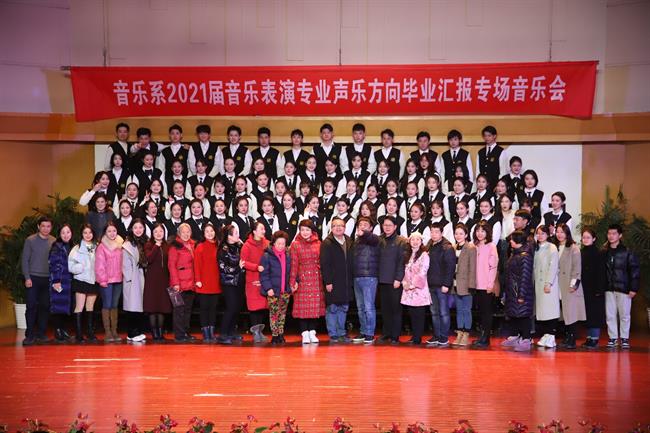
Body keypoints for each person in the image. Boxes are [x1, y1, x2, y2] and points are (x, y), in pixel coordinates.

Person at [603, 224, 639, 350]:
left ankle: (624, 338)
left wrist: (633, 288)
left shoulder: (627, 251)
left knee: (624, 315)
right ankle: (612, 338)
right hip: (609, 288)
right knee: (610, 315)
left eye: (614, 233)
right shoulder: (605, 252)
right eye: (609, 233)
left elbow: (634, 270)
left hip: (624, 288)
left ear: (620, 235)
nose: (611, 236)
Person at [290, 219, 326, 344]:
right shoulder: (295, 244)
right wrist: (293, 281)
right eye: (302, 230)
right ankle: (304, 333)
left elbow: (322, 261)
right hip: (302, 278)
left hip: (316, 278)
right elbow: (294, 264)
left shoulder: (319, 243)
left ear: (312, 231)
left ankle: (312, 332)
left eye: (307, 230)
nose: (305, 232)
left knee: (314, 306)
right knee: (303, 307)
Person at [320, 217, 354, 343]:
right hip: (333, 281)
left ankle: (342, 333)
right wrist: (328, 281)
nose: (338, 228)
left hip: (346, 281)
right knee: (333, 308)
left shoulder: (349, 241)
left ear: (344, 228)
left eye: (341, 225)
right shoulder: (327, 243)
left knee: (343, 308)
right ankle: (333, 334)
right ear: (331, 228)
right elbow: (325, 264)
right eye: (335, 225)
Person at [502, 230, 535, 352]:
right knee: (514, 314)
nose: (510, 241)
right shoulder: (515, 254)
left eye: (512, 239)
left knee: (523, 315)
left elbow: (525, 277)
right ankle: (515, 336)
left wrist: (521, 295)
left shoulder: (525, 256)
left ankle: (526, 339)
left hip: (520, 291)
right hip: (513, 290)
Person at [351, 217, 381, 344]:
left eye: (365, 224)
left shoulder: (374, 239)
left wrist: (365, 233)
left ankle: (370, 333)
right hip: (357, 276)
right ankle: (363, 331)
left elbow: (372, 238)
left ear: (371, 228)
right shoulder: (356, 241)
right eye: (360, 225)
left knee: (369, 307)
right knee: (360, 307)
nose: (362, 226)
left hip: (369, 277)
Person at [555, 223, 585, 349]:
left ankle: (572, 339)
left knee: (571, 313)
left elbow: (577, 269)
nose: (559, 234)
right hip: (558, 285)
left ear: (567, 233)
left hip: (569, 285)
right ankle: (567, 337)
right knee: (564, 313)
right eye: (557, 231)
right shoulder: (555, 247)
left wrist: (574, 285)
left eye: (562, 232)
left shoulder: (573, 248)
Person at [68, 224, 99, 343]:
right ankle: (79, 334)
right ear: (82, 234)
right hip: (81, 280)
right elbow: (70, 266)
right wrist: (80, 268)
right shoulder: (76, 248)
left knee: (90, 307)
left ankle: (90, 333)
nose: (88, 235)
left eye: (90, 232)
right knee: (79, 307)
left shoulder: (96, 246)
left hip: (93, 280)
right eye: (85, 232)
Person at [426, 222, 456, 346]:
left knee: (443, 312)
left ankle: (444, 336)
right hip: (430, 284)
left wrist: (446, 284)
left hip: (442, 285)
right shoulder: (429, 246)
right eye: (432, 232)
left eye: (436, 232)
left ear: (442, 233)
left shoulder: (447, 247)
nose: (434, 234)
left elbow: (450, 268)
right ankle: (436, 335)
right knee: (434, 312)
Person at [260, 231, 292, 345]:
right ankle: (275, 334)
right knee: (274, 313)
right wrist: (268, 288)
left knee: (282, 313)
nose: (281, 246)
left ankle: (281, 333)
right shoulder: (267, 256)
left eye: (283, 244)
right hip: (273, 291)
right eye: (279, 243)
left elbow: (291, 272)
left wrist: (295, 282)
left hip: (285, 290)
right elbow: (264, 275)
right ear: (273, 243)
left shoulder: (288, 256)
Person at [240, 221, 270, 343]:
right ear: (254, 231)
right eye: (261, 229)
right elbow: (243, 262)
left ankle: (260, 332)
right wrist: (256, 267)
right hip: (252, 279)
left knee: (263, 306)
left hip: (265, 279)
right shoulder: (247, 246)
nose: (264, 231)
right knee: (254, 307)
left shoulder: (267, 244)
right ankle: (255, 332)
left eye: (264, 229)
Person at [95, 221, 124, 343]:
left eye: (114, 231)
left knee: (115, 305)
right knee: (107, 305)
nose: (112, 233)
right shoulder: (102, 247)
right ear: (105, 233)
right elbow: (99, 265)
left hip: (118, 279)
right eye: (109, 231)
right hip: (106, 281)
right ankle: (107, 332)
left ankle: (114, 331)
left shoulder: (120, 244)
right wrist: (102, 279)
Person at [401, 232, 431, 345]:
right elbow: (404, 270)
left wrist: (413, 284)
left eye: (417, 239)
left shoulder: (424, 255)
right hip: (408, 289)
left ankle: (418, 337)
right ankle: (414, 336)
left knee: (419, 313)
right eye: (413, 239)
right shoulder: (407, 254)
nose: (415, 242)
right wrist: (404, 282)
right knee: (411, 313)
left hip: (419, 288)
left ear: (421, 241)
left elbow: (423, 272)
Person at [168, 223, 197, 342]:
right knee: (179, 310)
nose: (186, 234)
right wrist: (175, 283)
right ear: (179, 233)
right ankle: (179, 335)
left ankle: (186, 332)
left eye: (188, 231)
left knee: (188, 310)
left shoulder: (193, 245)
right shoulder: (175, 247)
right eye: (183, 232)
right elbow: (172, 266)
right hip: (178, 283)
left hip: (191, 283)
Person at [472, 220, 499, 347]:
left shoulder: (491, 246)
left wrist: (490, 284)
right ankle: (482, 336)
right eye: (478, 231)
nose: (480, 233)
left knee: (486, 313)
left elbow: (493, 267)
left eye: (483, 231)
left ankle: (485, 338)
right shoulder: (474, 245)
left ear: (487, 232)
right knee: (480, 312)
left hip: (486, 285)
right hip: (475, 284)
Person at [143, 223, 172, 342]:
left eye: (161, 231)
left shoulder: (167, 246)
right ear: (152, 233)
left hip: (164, 279)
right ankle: (154, 333)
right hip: (152, 280)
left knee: (162, 307)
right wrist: (156, 245)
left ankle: (160, 332)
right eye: (156, 232)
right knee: (152, 307)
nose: (159, 234)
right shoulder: (149, 245)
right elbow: (149, 259)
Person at [533, 225, 560, 349]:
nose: (540, 236)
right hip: (538, 284)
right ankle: (546, 335)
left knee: (550, 310)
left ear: (548, 235)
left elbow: (553, 266)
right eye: (538, 233)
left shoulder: (552, 247)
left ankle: (551, 335)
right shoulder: (536, 248)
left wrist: (548, 282)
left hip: (549, 284)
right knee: (542, 311)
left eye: (542, 233)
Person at [217, 224, 245, 344]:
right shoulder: (223, 249)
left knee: (237, 307)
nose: (238, 235)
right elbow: (223, 268)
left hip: (239, 281)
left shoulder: (239, 246)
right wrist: (238, 268)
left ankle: (231, 332)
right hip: (228, 282)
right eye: (236, 233)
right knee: (231, 307)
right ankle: (223, 334)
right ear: (229, 236)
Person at [194, 223, 221, 343]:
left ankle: (211, 333)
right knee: (204, 308)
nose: (210, 233)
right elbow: (197, 265)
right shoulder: (200, 247)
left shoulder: (218, 246)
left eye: (211, 231)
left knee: (213, 308)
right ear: (203, 234)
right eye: (207, 231)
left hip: (215, 282)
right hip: (203, 282)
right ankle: (205, 334)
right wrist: (198, 280)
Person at [580, 228, 607, 349]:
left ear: (594, 239)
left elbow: (601, 273)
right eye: (584, 237)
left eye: (588, 237)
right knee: (588, 314)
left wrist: (599, 289)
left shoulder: (598, 253)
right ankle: (589, 338)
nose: (585, 239)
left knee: (595, 315)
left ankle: (594, 339)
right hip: (584, 288)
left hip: (595, 289)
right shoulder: (581, 252)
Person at [122, 219, 148, 343]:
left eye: (140, 227)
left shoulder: (145, 242)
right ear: (131, 229)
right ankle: (132, 333)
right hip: (133, 279)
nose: (138, 230)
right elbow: (125, 264)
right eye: (135, 227)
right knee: (132, 306)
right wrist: (130, 278)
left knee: (139, 306)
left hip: (142, 276)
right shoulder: (128, 244)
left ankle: (137, 331)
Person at [451, 224, 476, 346]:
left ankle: (466, 334)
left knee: (466, 310)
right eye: (456, 233)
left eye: (461, 233)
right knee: (459, 310)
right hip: (455, 284)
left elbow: (473, 268)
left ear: (466, 235)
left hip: (466, 285)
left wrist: (471, 285)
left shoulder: (471, 248)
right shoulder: (453, 247)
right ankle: (459, 333)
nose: (458, 236)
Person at [48, 224, 74, 343]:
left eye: (68, 232)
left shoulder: (73, 246)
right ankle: (58, 330)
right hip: (59, 281)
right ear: (59, 234)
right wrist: (56, 281)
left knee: (65, 307)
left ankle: (63, 330)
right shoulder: (56, 246)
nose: (66, 235)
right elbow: (54, 265)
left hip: (69, 281)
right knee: (58, 307)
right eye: (63, 232)